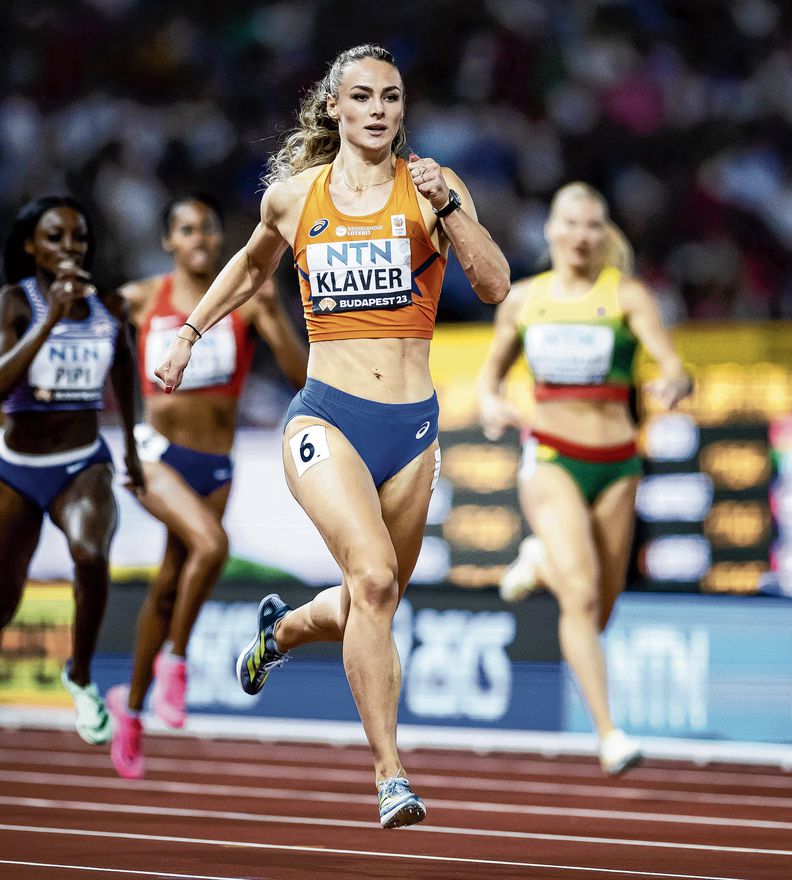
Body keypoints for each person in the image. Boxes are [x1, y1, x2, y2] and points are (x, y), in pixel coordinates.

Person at [154, 44, 510, 828]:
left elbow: (494, 285)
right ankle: (391, 775)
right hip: (326, 420)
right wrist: (189, 333)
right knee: (376, 580)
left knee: (365, 602)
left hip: (413, 430)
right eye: (363, 96)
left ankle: (279, 631)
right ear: (334, 109)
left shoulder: (435, 188)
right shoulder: (293, 198)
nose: (379, 109)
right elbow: (250, 269)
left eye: (391, 96)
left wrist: (447, 209)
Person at [475, 182, 692, 776]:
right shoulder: (523, 300)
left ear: (605, 235)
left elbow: (671, 363)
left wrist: (674, 381)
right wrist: (491, 403)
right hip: (550, 457)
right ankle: (609, 732)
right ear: (549, 230)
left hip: (619, 463)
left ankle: (540, 563)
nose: (581, 235)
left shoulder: (626, 297)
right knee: (583, 593)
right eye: (570, 223)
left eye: (594, 225)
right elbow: (489, 378)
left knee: (600, 610)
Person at [0, 196, 145, 799]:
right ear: (31, 246)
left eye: (79, 238)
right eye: (55, 238)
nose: (70, 248)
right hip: (15, 469)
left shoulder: (107, 308)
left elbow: (125, 374)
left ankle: (80, 674)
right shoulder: (11, 304)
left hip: (82, 464)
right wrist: (50, 320)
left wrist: (131, 450)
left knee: (91, 554)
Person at [105, 194, 308, 779]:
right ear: (170, 242)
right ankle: (175, 661)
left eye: (207, 230)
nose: (197, 239)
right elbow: (89, 324)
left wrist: (271, 313)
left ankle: (134, 708)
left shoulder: (244, 302)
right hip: (155, 454)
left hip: (216, 464)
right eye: (186, 230)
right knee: (213, 546)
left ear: (220, 241)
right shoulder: (145, 300)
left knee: (171, 581)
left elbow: (299, 375)